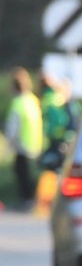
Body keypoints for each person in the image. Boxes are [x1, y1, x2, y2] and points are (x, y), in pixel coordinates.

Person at [5, 68, 43, 207]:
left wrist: (9, 144)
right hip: (35, 145)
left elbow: (13, 128)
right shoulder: (33, 100)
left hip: (22, 146)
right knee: (31, 175)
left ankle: (26, 201)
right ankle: (33, 200)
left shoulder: (18, 103)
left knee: (22, 175)